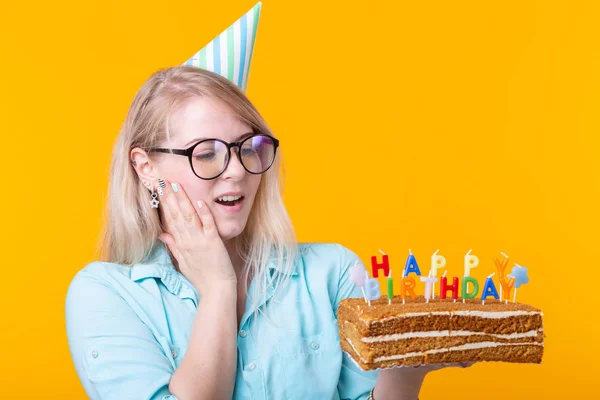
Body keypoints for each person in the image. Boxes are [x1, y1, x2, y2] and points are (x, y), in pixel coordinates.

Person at [65, 66, 467, 400]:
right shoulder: (105, 295)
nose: (237, 170)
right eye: (206, 153)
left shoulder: (333, 274)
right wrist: (219, 289)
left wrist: (406, 371)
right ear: (145, 166)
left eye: (248, 147)